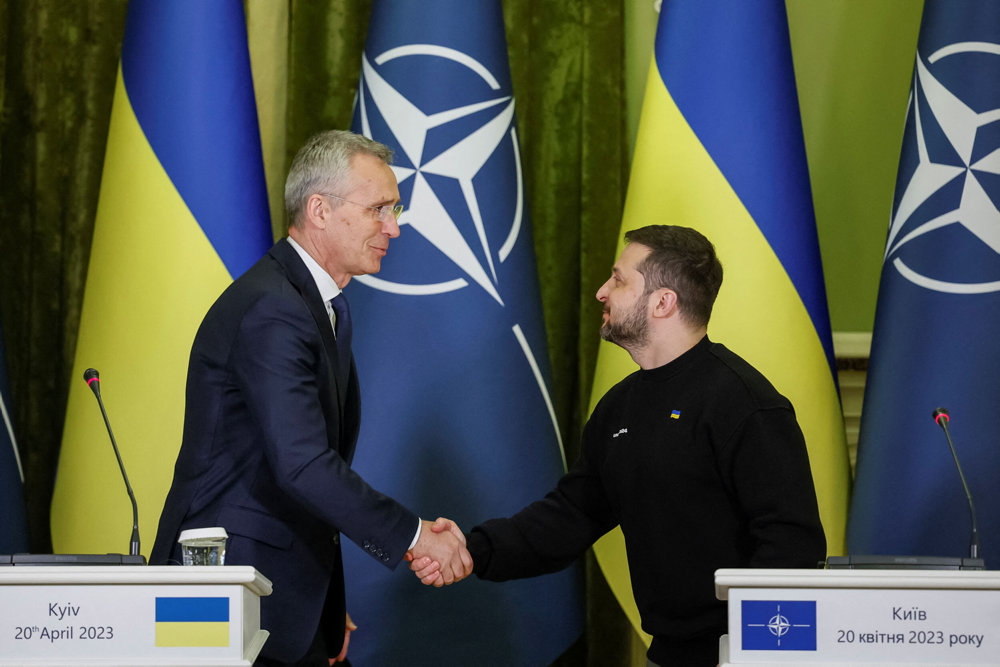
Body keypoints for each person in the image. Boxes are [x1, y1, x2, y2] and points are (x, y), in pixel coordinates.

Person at [413, 225, 826, 666]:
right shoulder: (620, 406)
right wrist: (471, 549)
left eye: (619, 279)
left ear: (663, 302)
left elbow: (791, 547)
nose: (601, 291)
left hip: (741, 654)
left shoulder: (746, 404)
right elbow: (571, 514)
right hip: (667, 651)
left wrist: (755, 650)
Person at [151, 130, 472, 666]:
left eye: (393, 208)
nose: (393, 226)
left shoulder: (318, 304)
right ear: (320, 210)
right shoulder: (273, 310)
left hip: (282, 592)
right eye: (379, 209)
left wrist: (322, 599)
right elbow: (302, 464)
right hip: (223, 591)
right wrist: (414, 536)